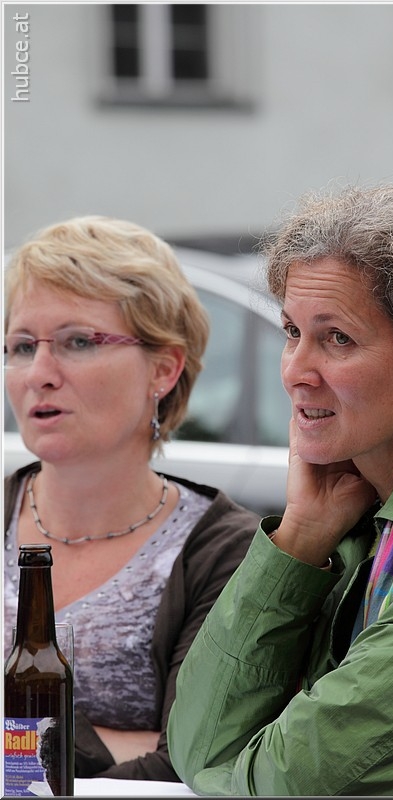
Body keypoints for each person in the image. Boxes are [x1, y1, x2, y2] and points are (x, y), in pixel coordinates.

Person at [167, 184, 393, 796]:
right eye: (292, 331)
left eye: (337, 338)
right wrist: (299, 540)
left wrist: (235, 774)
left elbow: (301, 784)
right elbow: (197, 745)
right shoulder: (356, 506)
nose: (294, 371)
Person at [3, 215, 260, 781]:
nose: (39, 373)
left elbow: (192, 762)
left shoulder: (222, 552)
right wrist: (111, 743)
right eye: (21, 346)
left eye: (78, 341)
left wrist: (20, 735)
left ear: (163, 369)